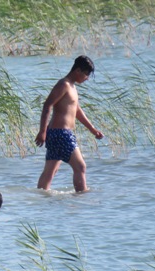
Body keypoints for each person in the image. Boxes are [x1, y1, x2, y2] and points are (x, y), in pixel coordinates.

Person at [35, 55, 104, 192]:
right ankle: (82, 197)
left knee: (50, 171)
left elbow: (77, 111)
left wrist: (92, 129)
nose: (87, 78)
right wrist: (42, 131)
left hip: (57, 134)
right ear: (78, 70)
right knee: (80, 167)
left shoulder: (72, 87)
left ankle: (41, 199)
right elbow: (47, 105)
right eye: (86, 74)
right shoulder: (64, 84)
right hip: (62, 134)